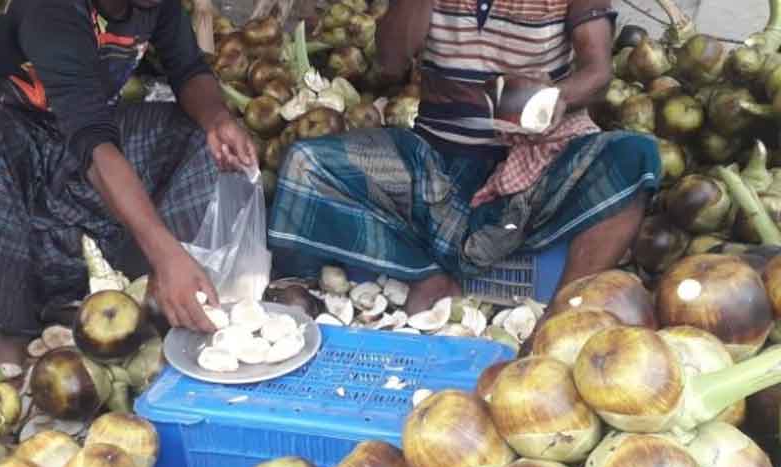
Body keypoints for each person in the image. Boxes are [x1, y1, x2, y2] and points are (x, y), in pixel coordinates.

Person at [267, 0, 661, 316]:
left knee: (634, 156)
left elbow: (598, 70)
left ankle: (567, 310)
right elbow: (390, 62)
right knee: (306, 162)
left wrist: (560, 96)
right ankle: (422, 271)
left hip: (533, 162)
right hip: (434, 160)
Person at [0, 0, 257, 365]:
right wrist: (165, 252)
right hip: (17, 149)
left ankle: (136, 294)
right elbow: (92, 141)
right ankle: (5, 329)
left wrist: (217, 119)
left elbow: (188, 69)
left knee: (195, 136)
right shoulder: (49, 8)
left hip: (87, 140)